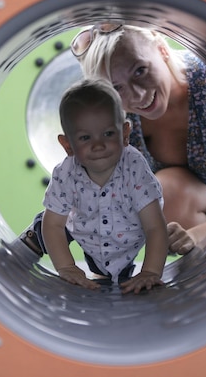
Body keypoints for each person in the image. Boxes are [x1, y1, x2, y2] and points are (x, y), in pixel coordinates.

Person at [70, 23, 206, 254]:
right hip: (177, 216)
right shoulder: (115, 117)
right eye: (116, 87)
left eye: (140, 70)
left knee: (166, 193)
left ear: (162, 49)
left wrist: (194, 236)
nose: (138, 95)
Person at [35, 78, 169, 293]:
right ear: (67, 145)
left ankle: (112, 271)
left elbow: (154, 226)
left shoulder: (133, 166)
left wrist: (150, 272)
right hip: (84, 232)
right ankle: (32, 239)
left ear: (125, 134)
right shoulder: (66, 172)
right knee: (46, 221)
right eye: (85, 137)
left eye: (108, 134)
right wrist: (67, 267)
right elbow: (54, 225)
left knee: (120, 276)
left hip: (127, 238)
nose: (98, 145)